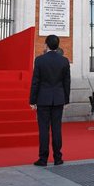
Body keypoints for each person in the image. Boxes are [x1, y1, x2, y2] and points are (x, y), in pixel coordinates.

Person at [29, 35, 71, 167]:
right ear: (58, 45)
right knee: (57, 129)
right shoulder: (64, 61)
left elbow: (35, 81)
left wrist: (32, 100)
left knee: (43, 129)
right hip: (58, 98)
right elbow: (67, 82)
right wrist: (66, 99)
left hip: (43, 98)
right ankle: (58, 157)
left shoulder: (40, 60)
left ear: (46, 45)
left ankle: (43, 158)